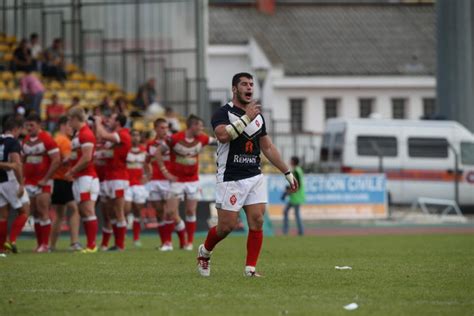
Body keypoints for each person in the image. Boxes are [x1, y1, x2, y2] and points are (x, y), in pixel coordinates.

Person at [197, 72, 298, 277]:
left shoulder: (258, 116)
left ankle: (250, 269)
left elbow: (267, 147)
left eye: (251, 84)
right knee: (227, 226)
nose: (249, 87)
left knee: (257, 220)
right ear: (235, 88)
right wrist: (247, 117)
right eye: (244, 84)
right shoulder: (222, 112)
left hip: (254, 175)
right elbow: (223, 136)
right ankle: (205, 252)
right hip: (231, 176)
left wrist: (286, 171)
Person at [164, 115, 214, 251]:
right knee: (169, 212)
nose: (202, 128)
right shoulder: (174, 139)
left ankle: (189, 243)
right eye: (200, 125)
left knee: (190, 211)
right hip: (177, 181)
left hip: (193, 181)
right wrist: (165, 172)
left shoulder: (202, 138)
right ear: (192, 126)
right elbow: (159, 152)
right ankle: (171, 241)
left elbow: (218, 141)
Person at [22, 113, 60, 253]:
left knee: (43, 210)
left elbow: (56, 160)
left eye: (32, 125)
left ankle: (46, 245)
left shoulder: (47, 139)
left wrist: (45, 178)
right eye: (27, 125)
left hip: (44, 182)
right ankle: (40, 244)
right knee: (35, 213)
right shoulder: (25, 140)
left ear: (39, 125)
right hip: (29, 182)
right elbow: (22, 160)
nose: (29, 127)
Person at [94, 113, 131, 251]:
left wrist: (98, 122)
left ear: (118, 122)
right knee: (110, 213)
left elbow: (102, 135)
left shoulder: (123, 134)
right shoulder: (115, 135)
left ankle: (120, 245)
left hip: (119, 178)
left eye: (112, 118)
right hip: (109, 178)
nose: (109, 120)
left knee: (118, 211)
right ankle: (115, 243)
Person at [66, 107, 100, 253]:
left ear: (75, 119)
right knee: (84, 210)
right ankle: (90, 244)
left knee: (87, 210)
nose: (68, 122)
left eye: (69, 119)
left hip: (86, 177)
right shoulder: (78, 134)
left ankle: (92, 245)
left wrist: (71, 170)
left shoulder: (86, 134)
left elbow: (87, 158)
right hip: (81, 177)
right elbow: (79, 155)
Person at [49, 116, 82, 251]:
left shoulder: (57, 139)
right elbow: (67, 159)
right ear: (63, 126)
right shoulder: (63, 141)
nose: (72, 128)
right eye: (70, 125)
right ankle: (74, 243)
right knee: (74, 209)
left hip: (58, 180)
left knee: (59, 215)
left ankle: (52, 245)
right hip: (64, 179)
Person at [0, 117, 31, 254]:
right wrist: (22, 184)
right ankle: (10, 240)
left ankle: (1, 248)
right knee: (25, 211)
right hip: (10, 181)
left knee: (3, 216)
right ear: (15, 129)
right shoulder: (13, 142)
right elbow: (17, 165)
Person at [145, 118, 176, 249]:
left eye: (166, 127)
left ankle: (171, 242)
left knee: (170, 212)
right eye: (162, 128)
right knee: (158, 212)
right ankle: (164, 242)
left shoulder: (172, 142)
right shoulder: (150, 144)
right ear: (155, 129)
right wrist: (147, 173)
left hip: (169, 181)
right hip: (155, 181)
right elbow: (146, 161)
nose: (165, 130)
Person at [125, 130, 148, 247]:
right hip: (127, 185)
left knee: (137, 212)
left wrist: (147, 177)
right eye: (133, 135)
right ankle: (122, 236)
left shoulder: (144, 151)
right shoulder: (126, 150)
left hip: (138, 186)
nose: (135, 137)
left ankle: (136, 238)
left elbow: (148, 166)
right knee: (125, 210)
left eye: (137, 135)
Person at [282, 156, 305, 236]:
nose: (289, 161)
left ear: (293, 162)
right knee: (287, 212)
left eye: (291, 160)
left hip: (296, 196)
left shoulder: (296, 171)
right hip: (296, 196)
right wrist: (288, 190)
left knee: (296, 214)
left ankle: (299, 231)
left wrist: (288, 192)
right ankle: (288, 231)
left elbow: (297, 185)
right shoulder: (298, 170)